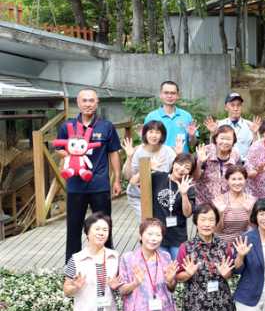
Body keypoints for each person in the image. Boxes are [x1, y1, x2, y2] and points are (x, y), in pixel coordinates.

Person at [57, 88, 122, 262]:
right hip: (75, 185)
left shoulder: (106, 126)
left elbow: (114, 152)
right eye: (84, 100)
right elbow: (60, 150)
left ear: (97, 102)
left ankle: (108, 263)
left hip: (99, 184)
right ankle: (71, 268)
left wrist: (117, 179)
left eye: (91, 100)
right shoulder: (67, 126)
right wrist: (73, 154)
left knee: (103, 226)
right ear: (78, 103)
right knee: (74, 227)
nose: (88, 104)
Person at [130, 153, 195, 259]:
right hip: (156, 235)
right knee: (158, 268)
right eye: (179, 164)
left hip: (177, 237)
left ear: (190, 172)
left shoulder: (189, 188)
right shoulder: (158, 177)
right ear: (173, 164)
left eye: (187, 167)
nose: (182, 169)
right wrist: (148, 169)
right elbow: (133, 182)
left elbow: (187, 213)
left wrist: (184, 194)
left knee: (177, 269)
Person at [123, 120, 177, 219]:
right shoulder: (138, 152)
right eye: (151, 132)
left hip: (162, 193)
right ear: (145, 134)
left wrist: (179, 155)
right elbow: (129, 177)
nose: (154, 135)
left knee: (161, 223)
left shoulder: (168, 152)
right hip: (140, 195)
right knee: (146, 223)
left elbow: (176, 173)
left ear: (162, 135)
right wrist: (129, 157)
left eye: (157, 132)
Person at [204, 92, 260, 162]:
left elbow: (257, 148)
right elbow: (212, 148)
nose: (236, 108)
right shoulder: (219, 125)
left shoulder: (250, 126)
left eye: (238, 105)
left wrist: (255, 133)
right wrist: (212, 133)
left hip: (243, 165)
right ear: (226, 107)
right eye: (232, 105)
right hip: (224, 164)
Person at [144, 80, 198, 152]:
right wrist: (145, 163)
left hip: (181, 161)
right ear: (160, 95)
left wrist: (192, 136)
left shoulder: (186, 116)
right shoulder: (151, 117)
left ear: (178, 95)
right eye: (166, 93)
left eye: (173, 93)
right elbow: (145, 143)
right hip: (159, 161)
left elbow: (192, 144)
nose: (169, 96)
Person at [194, 125, 240, 205]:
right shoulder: (205, 151)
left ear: (233, 141)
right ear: (216, 139)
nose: (225, 142)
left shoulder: (235, 155)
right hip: (204, 202)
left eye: (228, 139)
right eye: (222, 138)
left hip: (226, 203)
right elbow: (195, 177)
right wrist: (200, 162)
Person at [212, 165, 256, 245]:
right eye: (233, 179)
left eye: (240, 179)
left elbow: (254, 228)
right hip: (222, 245)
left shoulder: (251, 200)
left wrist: (249, 212)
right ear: (227, 180)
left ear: (245, 180)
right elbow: (216, 230)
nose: (237, 183)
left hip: (243, 245)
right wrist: (221, 213)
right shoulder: (219, 200)